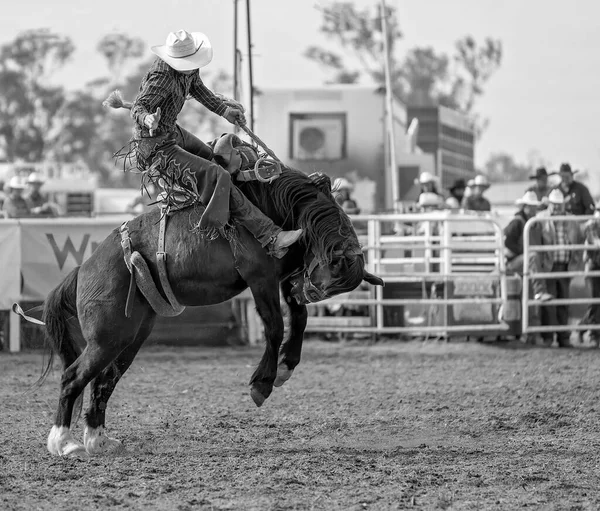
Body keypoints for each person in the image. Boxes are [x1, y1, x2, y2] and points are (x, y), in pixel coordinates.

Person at [128, 29, 301, 258]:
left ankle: (232, 201)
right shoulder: (161, 77)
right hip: (156, 147)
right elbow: (138, 107)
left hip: (172, 133)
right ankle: (270, 236)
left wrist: (225, 111)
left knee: (213, 155)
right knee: (215, 173)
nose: (192, 66)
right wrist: (148, 118)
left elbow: (200, 91)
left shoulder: (188, 71)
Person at [530, 189, 583, 347]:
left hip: (565, 265)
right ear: (550, 204)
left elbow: (578, 241)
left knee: (563, 302)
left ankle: (562, 337)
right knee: (549, 303)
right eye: (554, 204)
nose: (557, 207)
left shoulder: (571, 220)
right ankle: (548, 336)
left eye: (559, 204)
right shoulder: (541, 219)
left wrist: (576, 260)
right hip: (549, 266)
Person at [503, 191, 541, 275]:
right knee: (533, 257)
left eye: (534, 206)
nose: (532, 209)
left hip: (524, 259)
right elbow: (507, 242)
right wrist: (522, 251)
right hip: (513, 261)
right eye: (529, 206)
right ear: (524, 207)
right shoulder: (517, 222)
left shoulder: (534, 223)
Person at [579, 209, 600, 346]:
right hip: (594, 266)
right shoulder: (592, 225)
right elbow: (596, 242)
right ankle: (593, 334)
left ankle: (582, 327)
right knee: (595, 301)